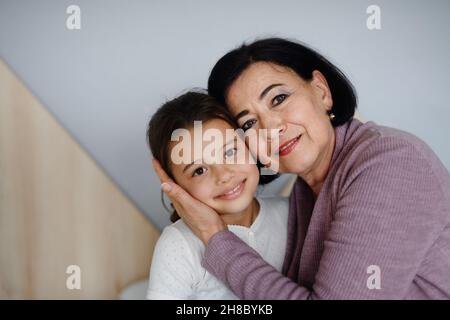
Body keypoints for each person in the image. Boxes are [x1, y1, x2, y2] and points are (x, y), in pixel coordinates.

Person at [153, 38, 450, 299]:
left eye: (279, 99)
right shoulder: (303, 195)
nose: (271, 128)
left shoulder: (390, 163)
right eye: (249, 123)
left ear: (321, 91)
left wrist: (215, 236)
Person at [146, 91, 288, 299]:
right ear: (176, 187)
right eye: (199, 170)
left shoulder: (291, 214)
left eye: (230, 152)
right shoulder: (179, 245)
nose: (223, 175)